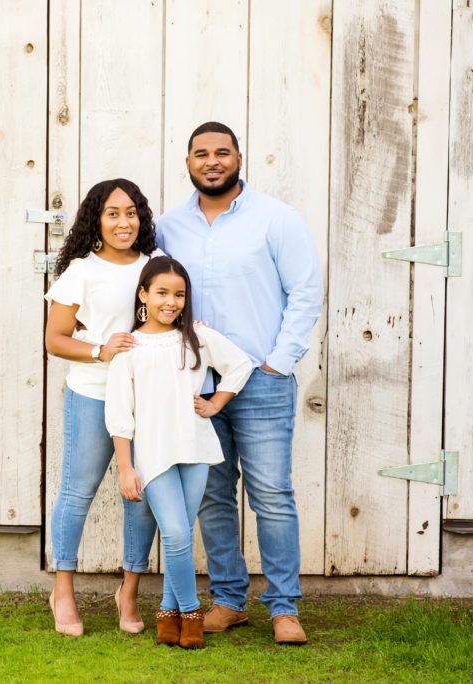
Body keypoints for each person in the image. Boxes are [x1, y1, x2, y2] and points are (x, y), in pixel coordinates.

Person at [155, 121, 323, 645]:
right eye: (201, 153)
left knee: (272, 494)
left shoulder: (277, 219)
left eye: (222, 153)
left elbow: (306, 291)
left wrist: (278, 361)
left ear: (239, 158)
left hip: (261, 381)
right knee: (212, 496)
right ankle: (229, 600)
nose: (212, 161)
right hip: (196, 385)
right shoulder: (168, 227)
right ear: (187, 163)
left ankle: (283, 607)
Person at [105, 256, 252, 649]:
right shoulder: (129, 349)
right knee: (173, 533)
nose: (171, 302)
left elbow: (239, 364)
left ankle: (167, 614)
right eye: (162, 293)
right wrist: (125, 467)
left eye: (179, 295)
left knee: (181, 535)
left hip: (195, 445)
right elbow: (119, 414)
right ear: (143, 295)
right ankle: (190, 613)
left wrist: (216, 402)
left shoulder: (196, 338)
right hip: (153, 454)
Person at [44, 178, 162, 637]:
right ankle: (63, 591)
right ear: (96, 219)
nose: (123, 222)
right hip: (93, 393)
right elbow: (55, 339)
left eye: (131, 212)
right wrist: (99, 350)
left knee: (142, 494)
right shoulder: (81, 271)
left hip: (146, 399)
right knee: (78, 492)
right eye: (112, 213)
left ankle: (128, 592)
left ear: (142, 218)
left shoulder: (156, 265)